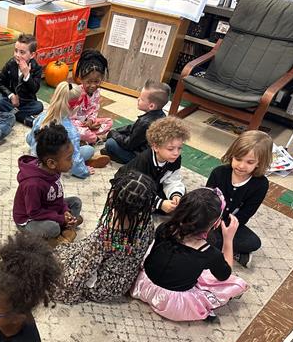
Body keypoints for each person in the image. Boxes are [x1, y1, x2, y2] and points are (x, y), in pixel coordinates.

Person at [131, 188, 248, 322]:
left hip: (143, 284)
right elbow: (224, 275)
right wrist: (228, 239)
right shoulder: (209, 252)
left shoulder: (164, 227)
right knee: (235, 283)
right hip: (173, 304)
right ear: (214, 223)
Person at [54, 170, 157, 304]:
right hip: (124, 281)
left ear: (113, 196)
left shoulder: (104, 236)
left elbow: (81, 273)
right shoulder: (146, 220)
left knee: (55, 261)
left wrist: (63, 290)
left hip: (100, 288)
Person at [206, 130, 273, 268]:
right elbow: (207, 200)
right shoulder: (219, 173)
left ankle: (213, 247)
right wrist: (213, 220)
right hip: (210, 219)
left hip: (232, 224)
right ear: (232, 155)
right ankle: (228, 250)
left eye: (250, 162)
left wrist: (228, 229)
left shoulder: (261, 184)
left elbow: (246, 213)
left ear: (259, 163)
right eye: (238, 159)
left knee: (254, 243)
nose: (241, 166)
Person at [13, 122, 82, 244]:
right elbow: (34, 212)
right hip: (30, 219)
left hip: (49, 208)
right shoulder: (32, 184)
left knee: (76, 202)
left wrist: (65, 210)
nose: (72, 162)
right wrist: (60, 218)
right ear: (51, 163)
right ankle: (61, 233)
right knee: (53, 228)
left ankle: (67, 227)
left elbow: (58, 197)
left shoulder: (53, 170)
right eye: (68, 158)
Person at [27, 82, 109, 179]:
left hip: (36, 156)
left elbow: (29, 139)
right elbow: (74, 161)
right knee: (89, 150)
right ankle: (85, 163)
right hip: (55, 162)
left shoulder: (42, 117)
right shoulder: (71, 131)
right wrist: (84, 172)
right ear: (75, 106)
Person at [116, 116, 190, 214]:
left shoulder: (174, 158)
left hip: (153, 184)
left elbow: (172, 179)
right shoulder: (144, 161)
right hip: (130, 186)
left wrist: (175, 194)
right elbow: (136, 190)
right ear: (155, 147)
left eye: (179, 148)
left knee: (181, 198)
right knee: (131, 207)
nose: (176, 153)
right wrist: (160, 203)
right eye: (170, 149)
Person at [102, 79, 170, 164]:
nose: (138, 99)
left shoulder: (145, 123)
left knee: (110, 143)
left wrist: (112, 133)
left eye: (141, 99)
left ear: (151, 106)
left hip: (142, 158)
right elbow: (132, 128)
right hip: (148, 152)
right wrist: (117, 131)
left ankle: (125, 161)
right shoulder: (161, 115)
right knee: (119, 135)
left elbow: (128, 145)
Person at [0, 33, 44, 127]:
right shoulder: (10, 63)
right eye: (16, 51)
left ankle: (14, 113)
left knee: (39, 106)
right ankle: (23, 117)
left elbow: (35, 89)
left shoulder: (36, 68)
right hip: (11, 100)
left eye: (22, 52)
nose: (17, 55)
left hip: (26, 101)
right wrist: (11, 95)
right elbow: (0, 82)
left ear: (32, 55)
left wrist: (27, 75)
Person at [69, 50, 113, 148]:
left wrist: (91, 121)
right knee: (77, 130)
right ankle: (95, 139)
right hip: (75, 123)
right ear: (81, 78)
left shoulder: (97, 93)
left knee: (109, 122)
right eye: (88, 82)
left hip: (87, 124)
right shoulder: (76, 93)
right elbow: (70, 116)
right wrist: (84, 124)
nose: (93, 85)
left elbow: (94, 110)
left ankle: (86, 139)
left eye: (97, 81)